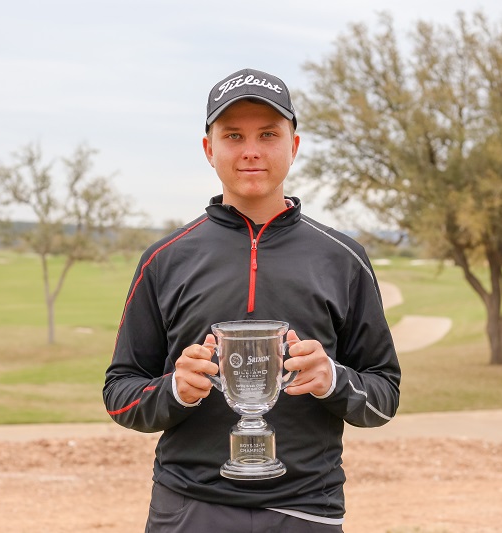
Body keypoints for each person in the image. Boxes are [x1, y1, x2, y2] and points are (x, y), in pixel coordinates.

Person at [103, 67, 401, 532]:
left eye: (268, 134)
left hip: (306, 508)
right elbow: (120, 393)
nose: (251, 151)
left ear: (293, 146)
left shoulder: (343, 258)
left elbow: (384, 396)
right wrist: (175, 390)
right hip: (189, 507)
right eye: (233, 136)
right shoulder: (165, 259)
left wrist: (332, 379)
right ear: (209, 149)